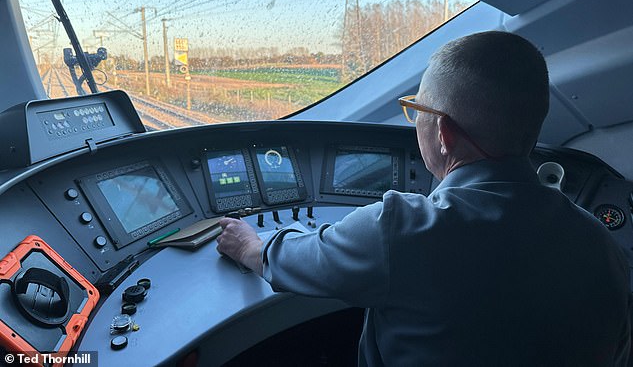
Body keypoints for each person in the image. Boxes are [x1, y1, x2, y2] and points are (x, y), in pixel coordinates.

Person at [217, 31, 631, 366]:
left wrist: (249, 243)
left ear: (445, 134)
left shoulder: (403, 228)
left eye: (416, 110)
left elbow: (293, 260)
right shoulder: (603, 246)